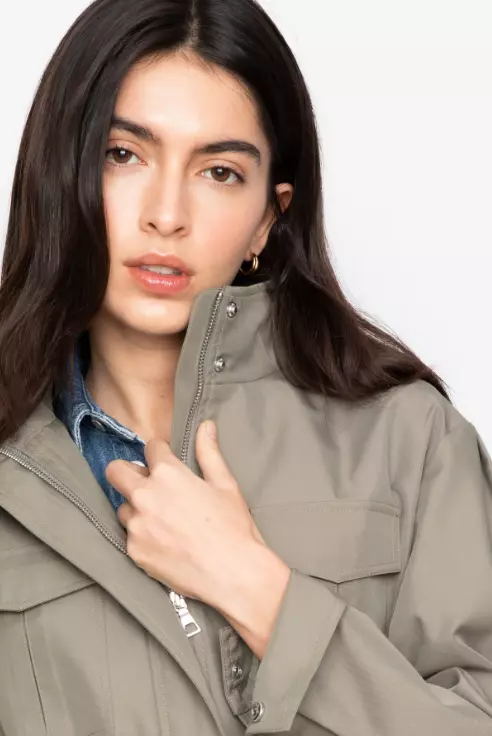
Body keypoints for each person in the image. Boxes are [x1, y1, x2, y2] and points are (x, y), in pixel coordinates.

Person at [0, 0, 491, 733]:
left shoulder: (411, 443)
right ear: (59, 172)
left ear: (268, 217)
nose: (167, 214)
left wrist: (258, 591)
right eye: (123, 154)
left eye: (220, 171)